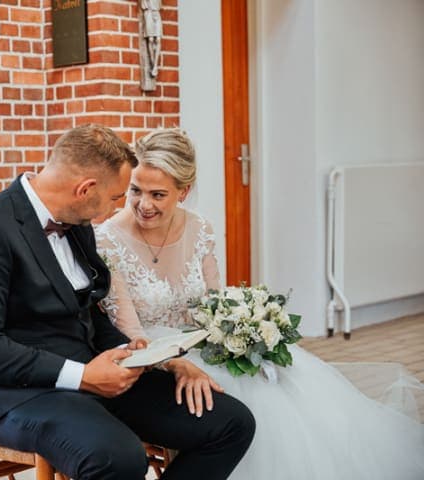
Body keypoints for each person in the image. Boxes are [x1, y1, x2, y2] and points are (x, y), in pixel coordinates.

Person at [95, 128, 424, 479]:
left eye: (158, 194)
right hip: (150, 357)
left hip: (201, 342)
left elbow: (214, 303)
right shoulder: (108, 241)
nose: (143, 204)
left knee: (281, 386)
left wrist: (240, 330)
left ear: (184, 191)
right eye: (135, 190)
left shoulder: (199, 228)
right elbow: (131, 332)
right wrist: (178, 365)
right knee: (242, 403)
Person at [0, 124, 255, 480]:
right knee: (119, 458)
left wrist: (130, 351)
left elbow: (88, 311)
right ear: (85, 189)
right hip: (14, 394)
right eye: (115, 197)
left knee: (231, 423)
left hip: (91, 374)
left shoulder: (77, 223)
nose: (113, 210)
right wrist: (84, 376)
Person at [141, 0, 162, 77]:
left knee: (158, 39)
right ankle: (153, 65)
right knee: (151, 39)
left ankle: (155, 66)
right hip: (149, 12)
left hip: (156, 12)